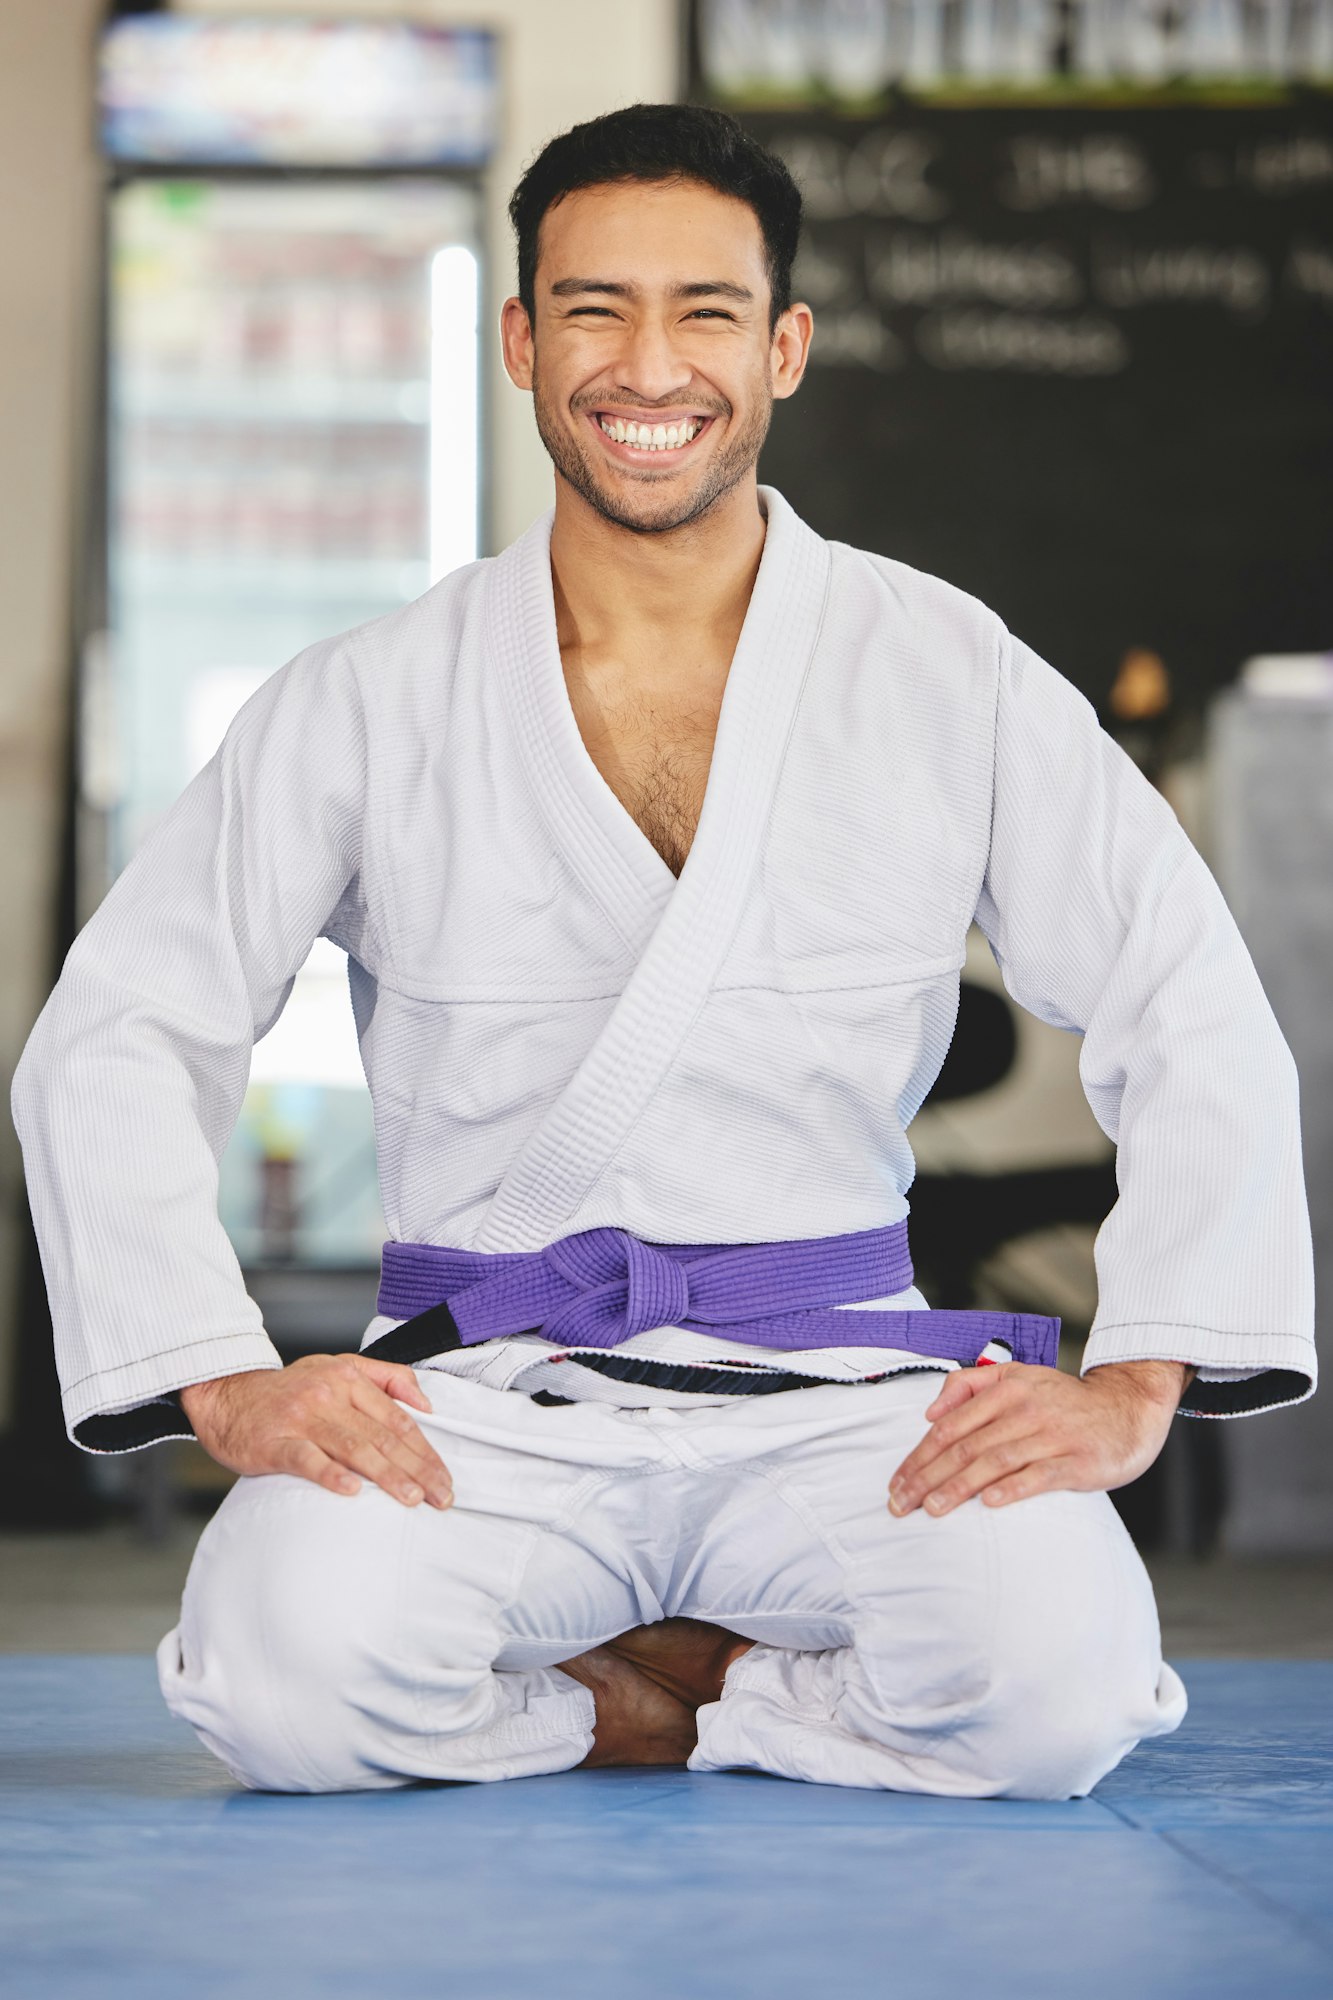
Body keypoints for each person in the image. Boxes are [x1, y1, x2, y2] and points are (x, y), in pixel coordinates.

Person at [11, 106, 1314, 1797]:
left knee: (1057, 1697)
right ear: (519, 340)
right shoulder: (368, 696)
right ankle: (679, 1707)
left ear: (783, 349)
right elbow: (121, 1028)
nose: (647, 366)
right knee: (282, 1689)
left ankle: (670, 1692)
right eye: (593, 308)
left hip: (846, 1383)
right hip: (487, 1394)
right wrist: (215, 1377)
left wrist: (1134, 1379)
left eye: (705, 311)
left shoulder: (943, 668)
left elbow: (1185, 999)